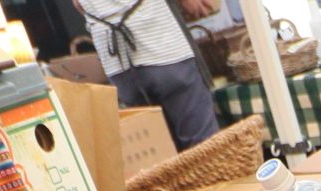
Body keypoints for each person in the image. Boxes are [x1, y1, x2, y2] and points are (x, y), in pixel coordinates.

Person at [76, 0, 224, 152]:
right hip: (161, 47)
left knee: (160, 155)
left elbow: (78, 4)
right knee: (205, 149)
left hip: (118, 64)